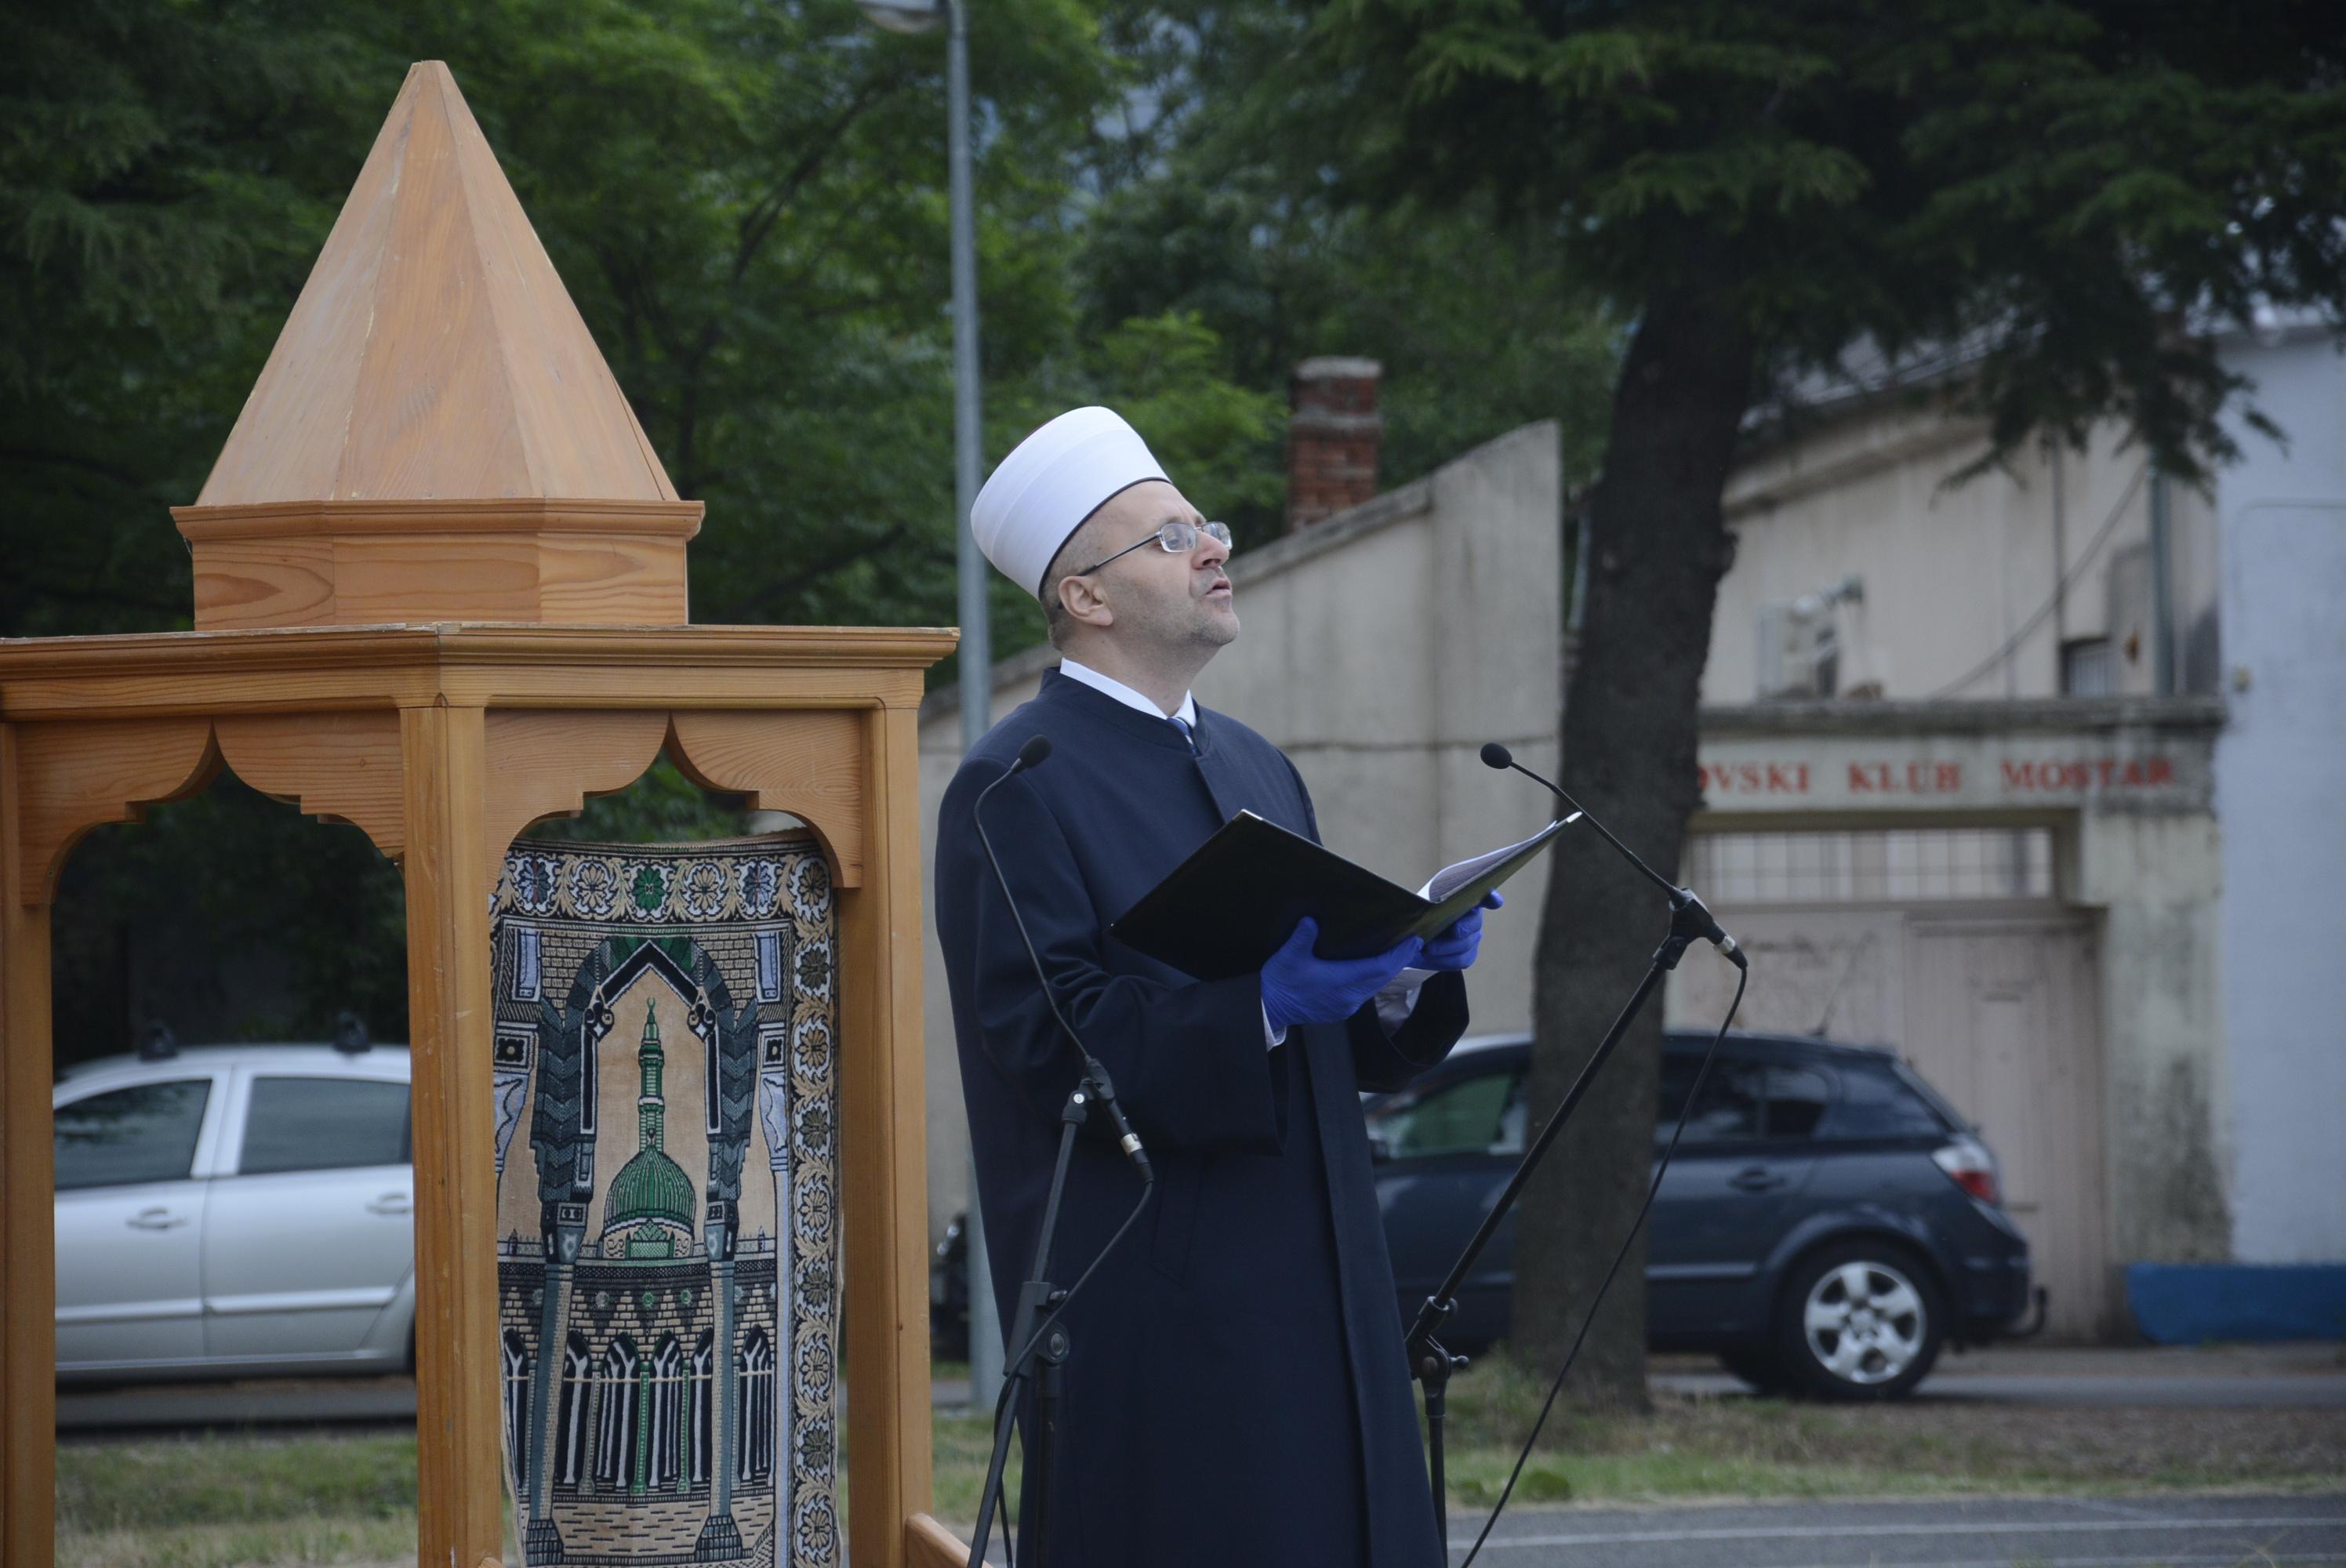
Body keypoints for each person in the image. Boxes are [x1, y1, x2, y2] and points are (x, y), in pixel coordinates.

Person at [934, 406, 1499, 1567]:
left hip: (1327, 1281)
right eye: (1170, 535)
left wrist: (1399, 974)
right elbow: (1049, 1044)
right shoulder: (1013, 785)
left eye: (1207, 525)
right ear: (1085, 596)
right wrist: (1263, 1006)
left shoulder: (1253, 761)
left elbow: (1334, 1043)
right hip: (1166, 1311)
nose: (1212, 549)